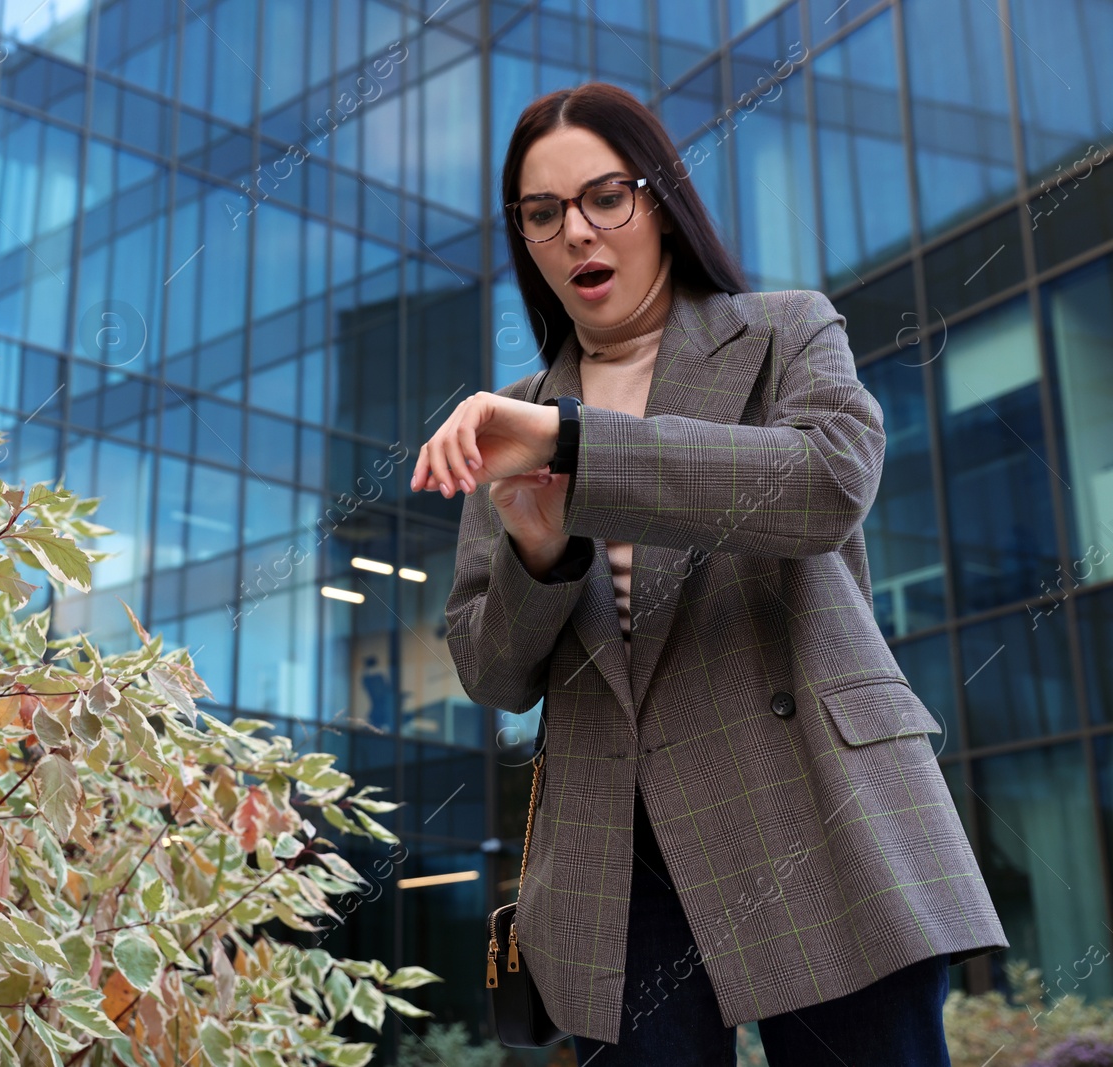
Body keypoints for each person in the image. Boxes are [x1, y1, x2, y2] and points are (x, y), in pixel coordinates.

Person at [409, 82, 1006, 1066]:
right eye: (543, 211)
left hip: (809, 798)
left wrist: (577, 447)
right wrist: (537, 549)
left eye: (606, 195)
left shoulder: (778, 331)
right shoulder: (512, 413)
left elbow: (822, 483)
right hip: (614, 855)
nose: (576, 232)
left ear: (660, 199)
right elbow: (490, 669)